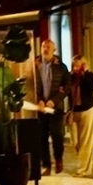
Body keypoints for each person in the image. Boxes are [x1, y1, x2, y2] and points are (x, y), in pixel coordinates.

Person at [33, 39, 71, 175]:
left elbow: (67, 86)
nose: (45, 49)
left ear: (54, 50)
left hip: (56, 106)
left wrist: (54, 101)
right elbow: (31, 85)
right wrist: (40, 100)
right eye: (43, 46)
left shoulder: (61, 67)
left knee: (56, 133)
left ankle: (58, 159)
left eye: (48, 47)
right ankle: (46, 165)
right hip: (41, 107)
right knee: (41, 135)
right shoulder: (35, 65)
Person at [68, 56, 93, 175]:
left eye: (79, 65)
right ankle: (85, 165)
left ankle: (84, 170)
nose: (76, 68)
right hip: (74, 111)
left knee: (86, 141)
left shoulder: (89, 76)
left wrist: (85, 73)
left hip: (87, 110)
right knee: (75, 141)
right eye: (74, 65)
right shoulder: (70, 78)